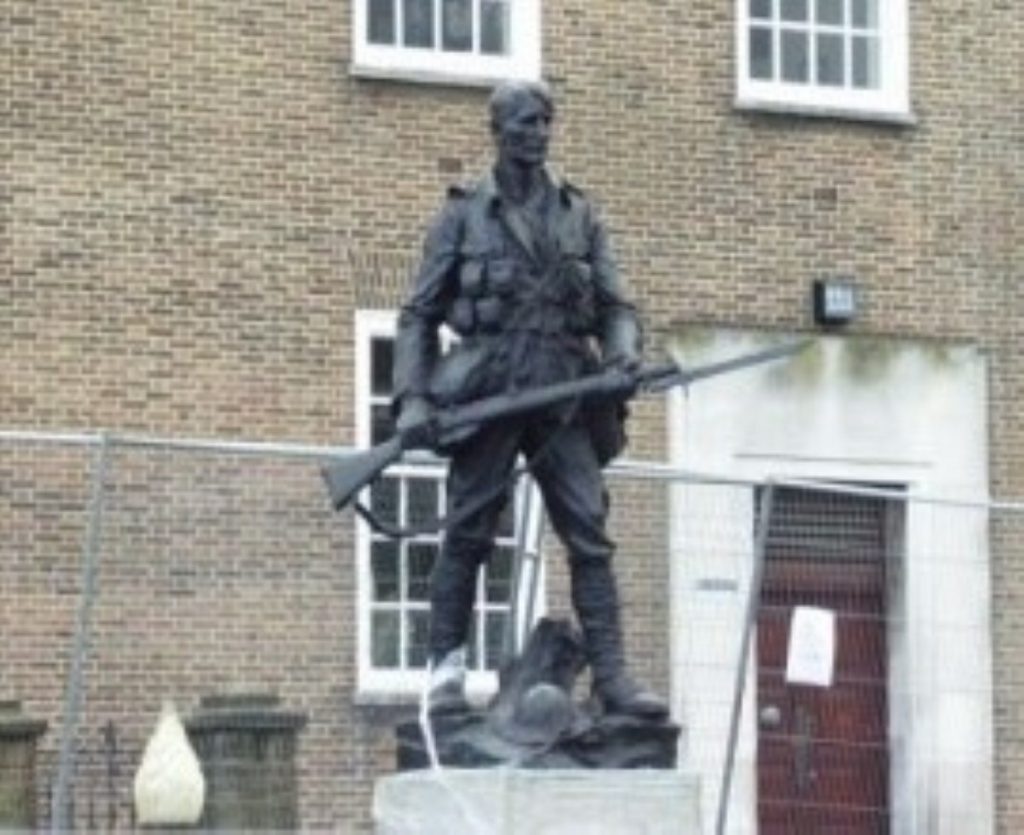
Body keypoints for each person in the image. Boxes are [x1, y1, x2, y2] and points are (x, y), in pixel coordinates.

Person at [392, 80, 667, 718]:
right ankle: (444, 672)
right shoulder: (462, 216)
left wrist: (622, 353)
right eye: (523, 122)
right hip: (489, 393)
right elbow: (417, 316)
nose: (537, 132)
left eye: (544, 121)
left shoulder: (580, 213)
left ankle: (613, 677)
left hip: (565, 395)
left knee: (590, 535)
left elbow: (616, 305)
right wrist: (411, 399)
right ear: (497, 129)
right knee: (467, 533)